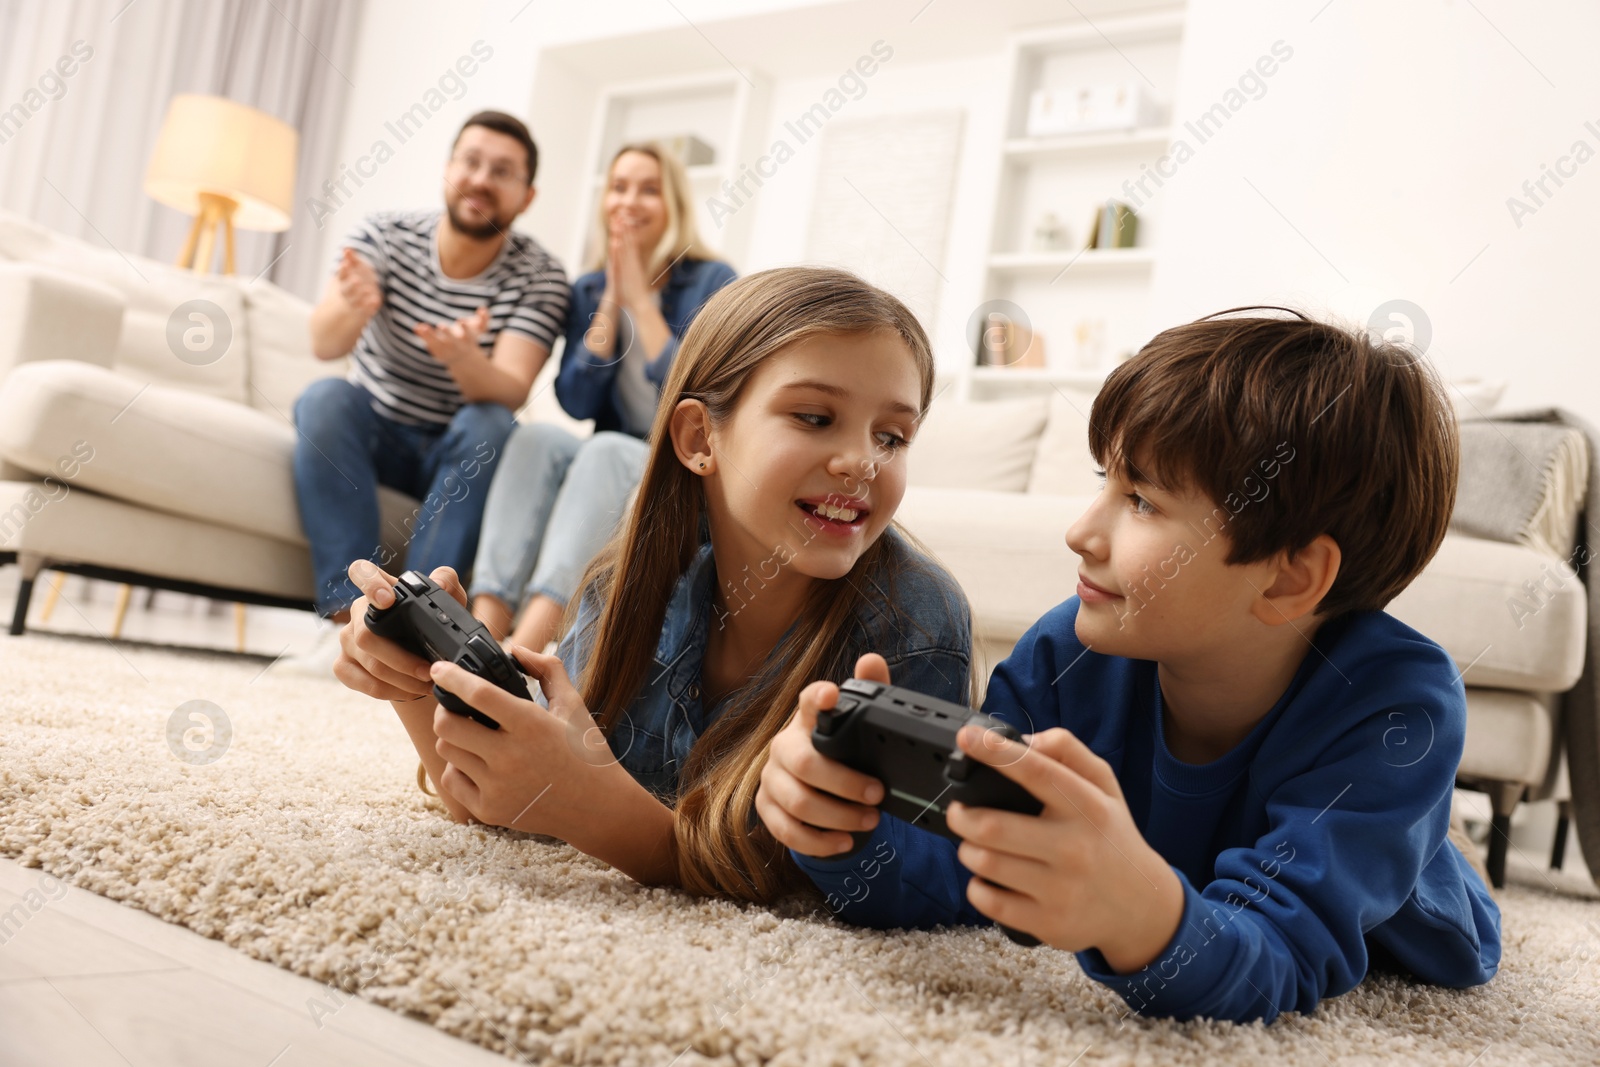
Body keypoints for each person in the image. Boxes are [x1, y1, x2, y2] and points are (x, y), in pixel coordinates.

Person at [758, 309, 1502, 1023]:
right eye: (1103, 482)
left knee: (1370, 850)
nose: (1080, 531)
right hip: (1169, 851)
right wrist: (845, 830)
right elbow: (972, 871)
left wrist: (1146, 914)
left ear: (1287, 578)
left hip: (1387, 893)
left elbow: (1284, 954)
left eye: (1141, 500)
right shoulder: (1066, 651)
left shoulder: (1397, 706)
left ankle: (1439, 828)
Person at [330, 267, 973, 900]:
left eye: (892, 436)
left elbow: (897, 885)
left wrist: (605, 817)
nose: (862, 459)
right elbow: (508, 805)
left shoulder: (915, 623)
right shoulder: (624, 587)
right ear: (699, 437)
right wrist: (417, 684)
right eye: (814, 417)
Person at [284, 110, 570, 673]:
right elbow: (323, 342)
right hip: (376, 431)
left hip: (458, 445)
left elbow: (509, 389)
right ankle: (351, 622)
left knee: (491, 423)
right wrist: (355, 305)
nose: (482, 179)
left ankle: (419, 625)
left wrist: (463, 359)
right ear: (448, 169)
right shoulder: (385, 236)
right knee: (323, 398)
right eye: (471, 161)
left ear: (526, 195)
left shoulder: (540, 275)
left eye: (503, 171)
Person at [468, 142, 736, 649]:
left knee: (606, 449)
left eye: (649, 190)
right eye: (618, 187)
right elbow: (576, 400)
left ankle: (524, 652)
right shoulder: (590, 287)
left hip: (679, 456)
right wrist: (612, 299)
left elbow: (704, 395)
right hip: (610, 443)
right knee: (538, 439)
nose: (629, 201)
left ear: (674, 205)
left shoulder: (712, 280)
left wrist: (640, 297)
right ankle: (479, 631)